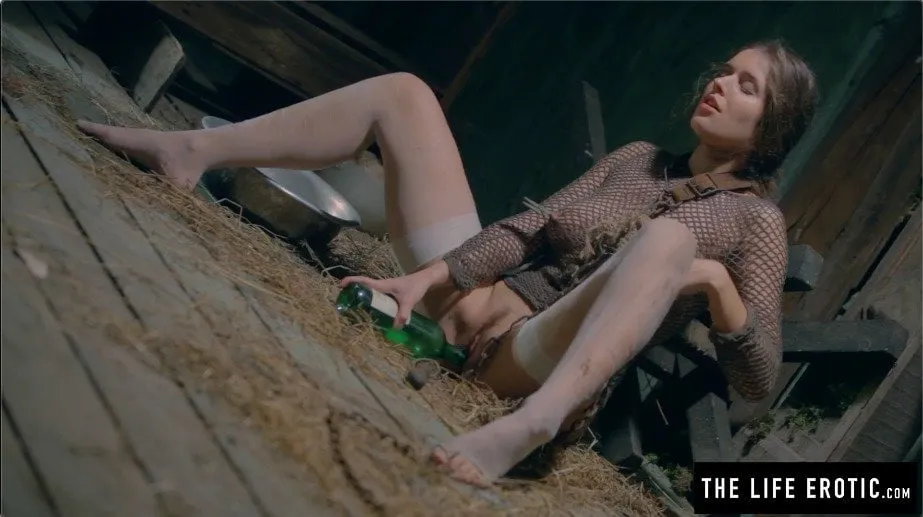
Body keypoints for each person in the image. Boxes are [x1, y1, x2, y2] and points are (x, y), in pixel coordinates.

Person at [77, 39, 818, 488]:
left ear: (771, 128)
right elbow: (528, 229)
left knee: (668, 243)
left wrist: (714, 284)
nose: (719, 84)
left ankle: (529, 428)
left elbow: (757, 379)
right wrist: (428, 277)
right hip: (467, 303)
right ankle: (191, 149)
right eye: (725, 71)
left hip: (528, 356)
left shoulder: (755, 222)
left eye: (746, 85)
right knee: (404, 96)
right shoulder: (637, 159)